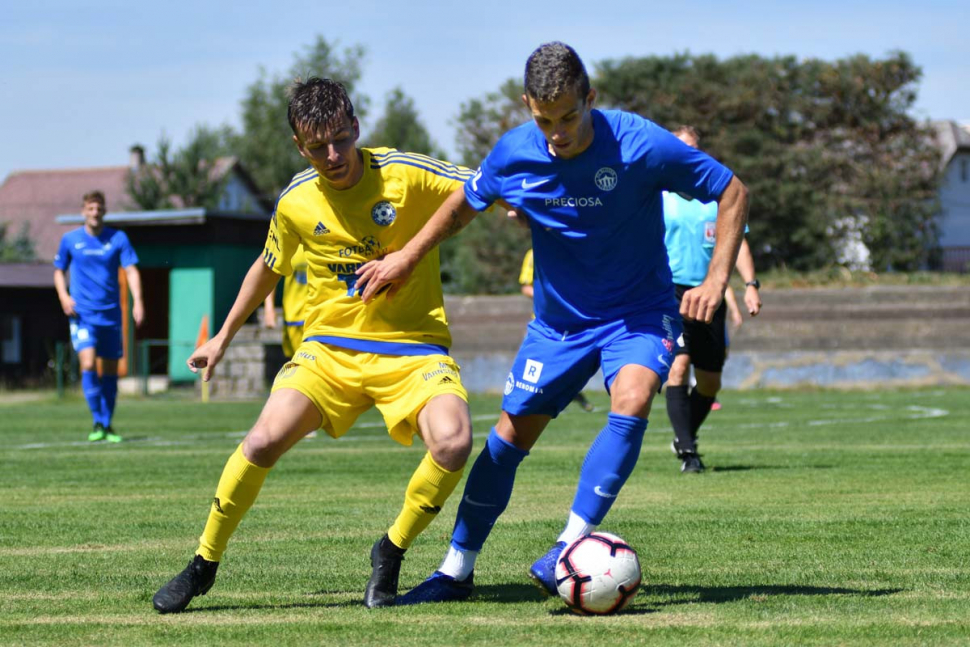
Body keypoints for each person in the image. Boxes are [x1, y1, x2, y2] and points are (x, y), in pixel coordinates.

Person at [356, 42, 749, 603]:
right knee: (509, 438)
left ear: (591, 98)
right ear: (527, 107)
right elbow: (464, 205)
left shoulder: (639, 143)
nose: (558, 132)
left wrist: (715, 281)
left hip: (638, 313)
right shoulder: (514, 153)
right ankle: (455, 571)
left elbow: (732, 190)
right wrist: (407, 256)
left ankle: (568, 547)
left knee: (634, 398)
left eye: (569, 116)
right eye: (545, 120)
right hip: (559, 325)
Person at [151, 77, 476, 614]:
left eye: (340, 140)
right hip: (328, 351)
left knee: (453, 442)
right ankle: (203, 565)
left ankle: (390, 551)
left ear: (355, 127)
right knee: (260, 442)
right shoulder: (296, 199)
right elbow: (267, 266)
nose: (332, 155)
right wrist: (223, 337)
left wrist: (409, 255)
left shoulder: (407, 172)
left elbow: (482, 187)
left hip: (413, 348)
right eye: (317, 146)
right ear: (300, 147)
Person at [662, 125, 762, 473]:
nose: (684, 156)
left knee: (709, 382)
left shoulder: (717, 194)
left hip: (711, 293)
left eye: (691, 149)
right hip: (670, 292)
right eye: (678, 149)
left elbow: (738, 243)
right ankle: (689, 453)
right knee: (677, 367)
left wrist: (750, 284)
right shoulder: (659, 195)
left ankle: (683, 435)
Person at [53, 191, 144, 443]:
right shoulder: (70, 239)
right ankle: (97, 420)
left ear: (104, 211)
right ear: (83, 211)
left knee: (111, 371)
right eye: (91, 208)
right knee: (89, 364)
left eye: (99, 209)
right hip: (82, 315)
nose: (95, 213)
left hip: (111, 315)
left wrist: (138, 301)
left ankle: (106, 423)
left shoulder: (118, 238)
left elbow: (131, 270)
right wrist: (63, 296)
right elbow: (58, 271)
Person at [519, 248, 594, 412]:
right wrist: (548, 294)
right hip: (542, 322)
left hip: (570, 322)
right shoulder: (533, 254)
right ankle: (529, 401)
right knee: (531, 365)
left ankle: (572, 393)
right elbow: (525, 287)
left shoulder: (570, 249)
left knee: (569, 365)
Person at [262, 244, 308, 359]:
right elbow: (271, 273)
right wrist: (269, 308)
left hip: (318, 317)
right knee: (297, 365)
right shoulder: (290, 243)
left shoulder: (323, 242)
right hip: (294, 319)